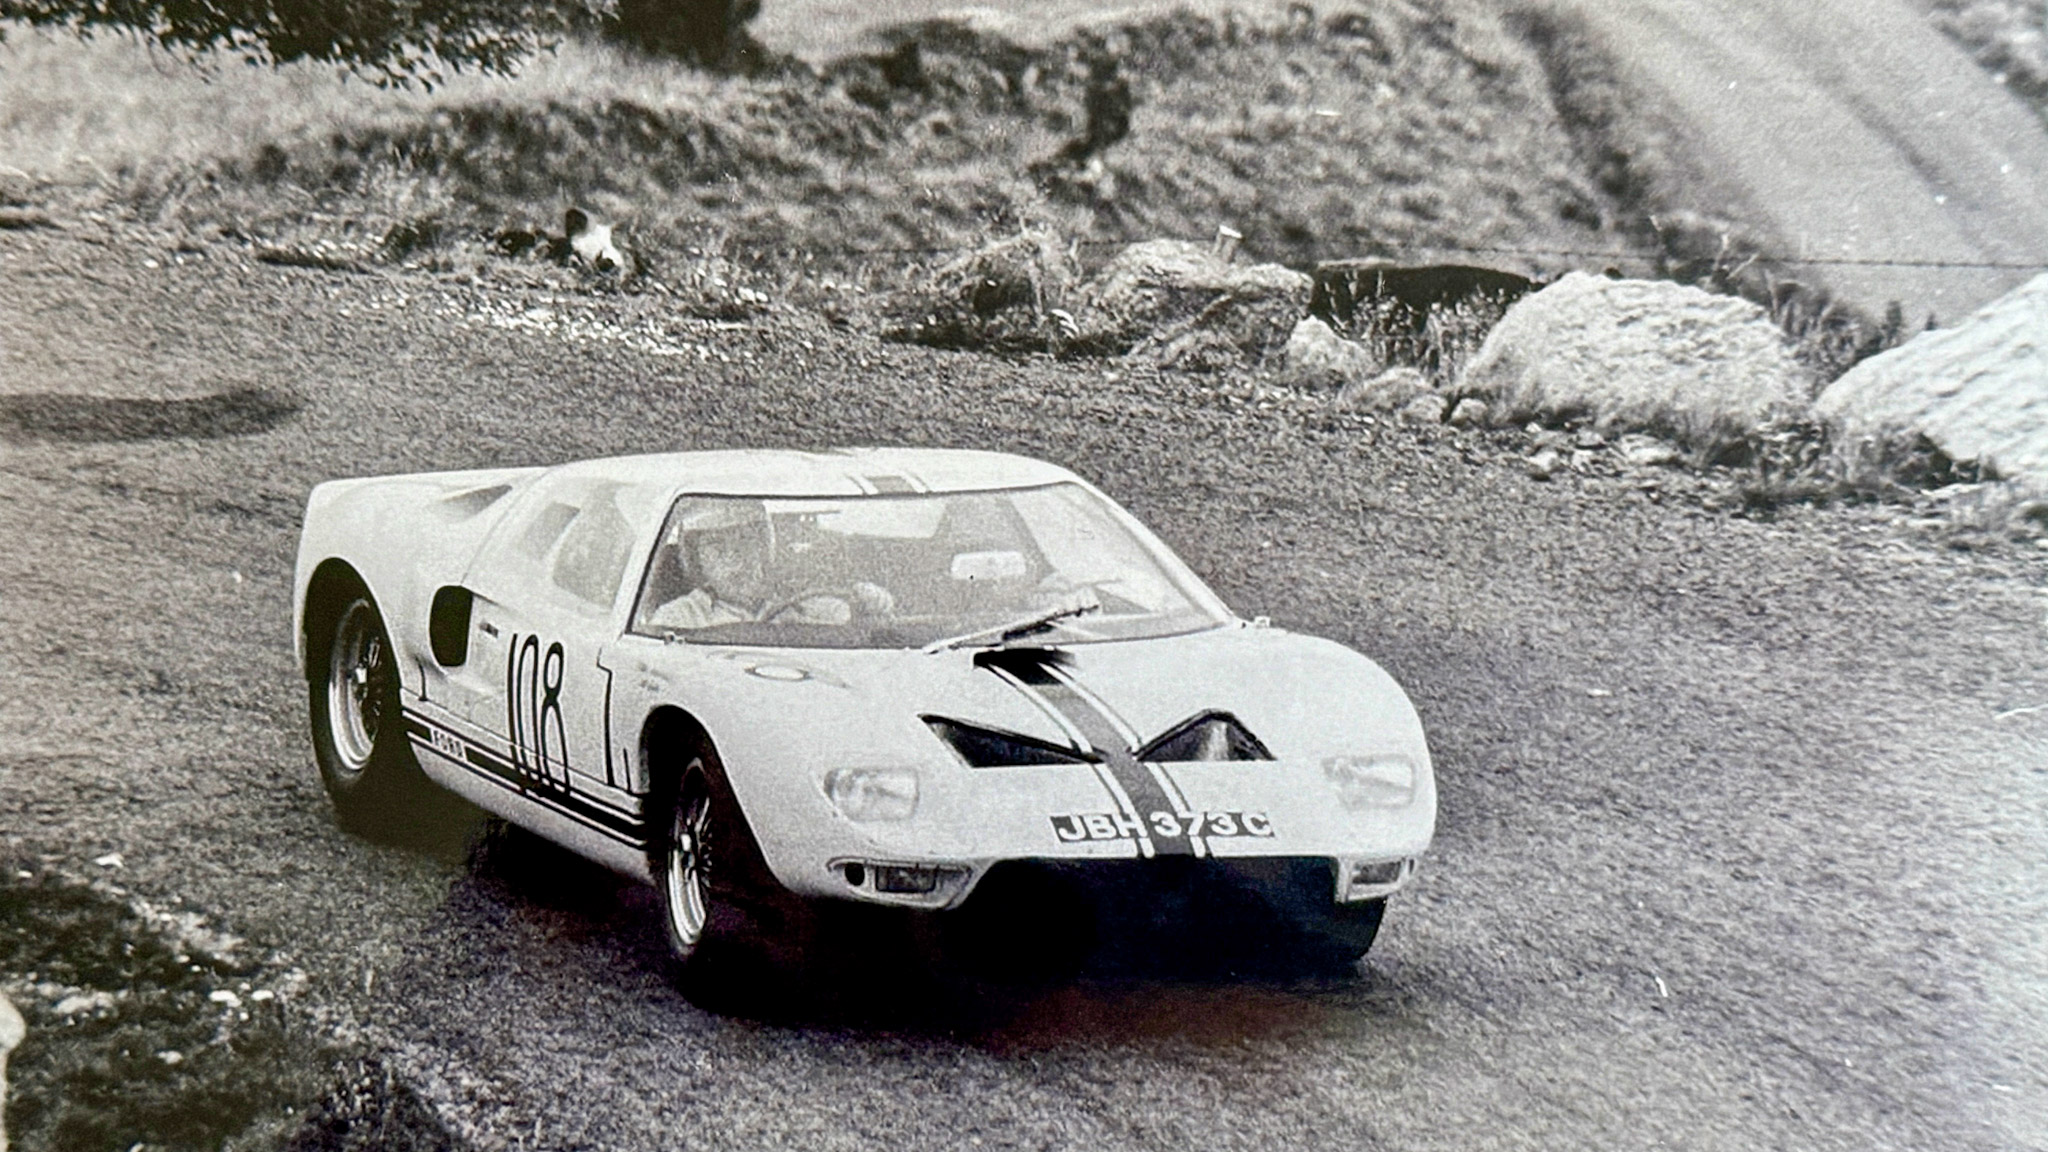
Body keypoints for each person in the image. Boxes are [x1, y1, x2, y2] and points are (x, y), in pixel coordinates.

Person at [643, 501, 893, 630]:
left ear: (764, 547)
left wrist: (871, 605)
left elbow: (854, 628)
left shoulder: (809, 605)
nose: (733, 556)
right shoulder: (680, 618)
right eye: (716, 545)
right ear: (697, 559)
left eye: (744, 539)